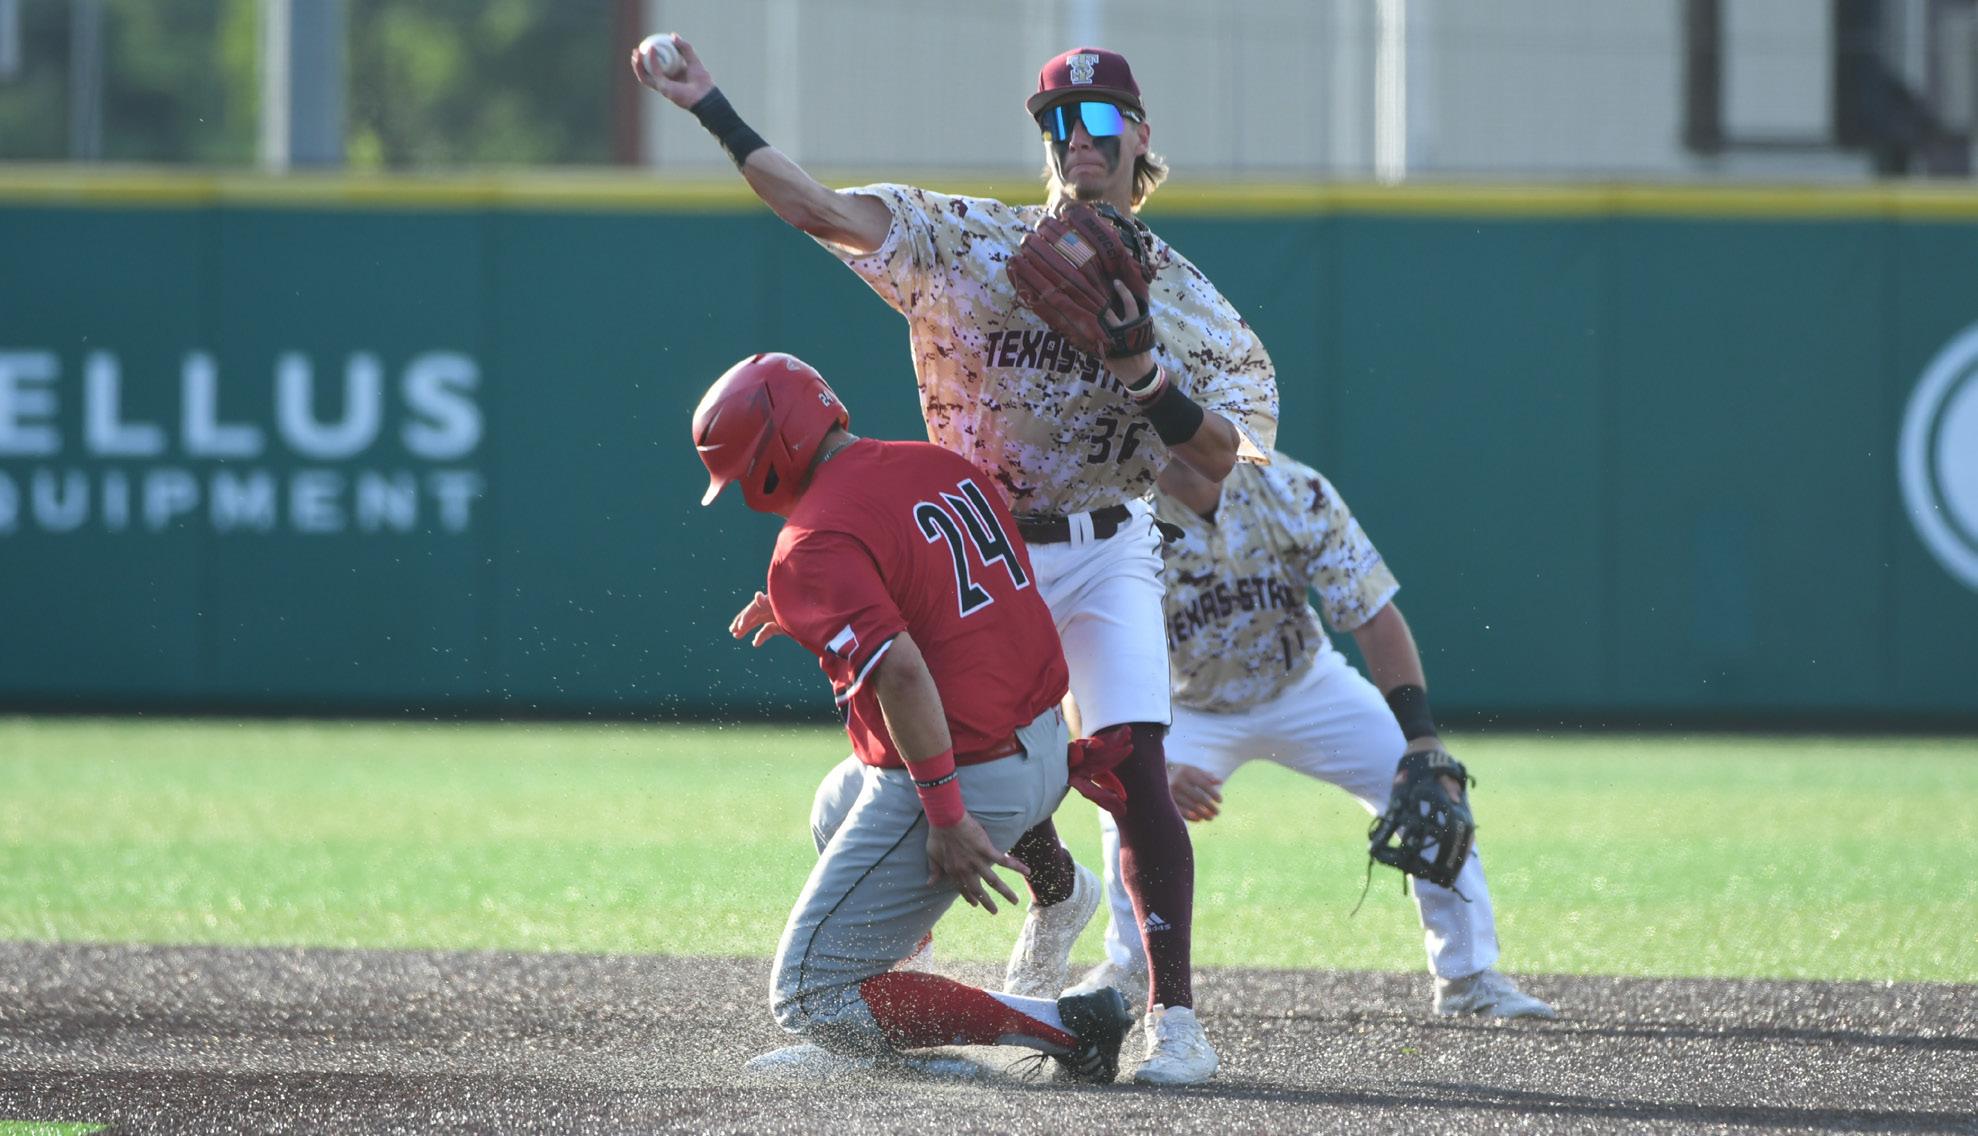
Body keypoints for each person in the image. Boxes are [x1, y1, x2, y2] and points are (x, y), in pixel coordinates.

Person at [637, 41, 1280, 1084]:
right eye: (1059, 125)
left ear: (1141, 139)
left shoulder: (1188, 302)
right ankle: (1021, 906)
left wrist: (1141, 368)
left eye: (1102, 122)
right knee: (947, 752)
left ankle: (1175, 1018)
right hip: (973, 548)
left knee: (1128, 765)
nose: (1079, 142)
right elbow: (812, 205)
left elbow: (1214, 466)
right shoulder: (971, 237)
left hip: (1102, 542)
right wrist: (710, 105)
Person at [695, 351, 1140, 1081]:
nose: (746, 484)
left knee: (809, 996)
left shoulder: (813, 538)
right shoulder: (939, 465)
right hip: (1046, 743)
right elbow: (960, 604)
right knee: (836, 802)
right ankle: (895, 1005)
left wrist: (945, 810)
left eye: (744, 467)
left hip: (970, 775)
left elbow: (902, 671)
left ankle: (1066, 1027)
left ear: (775, 451)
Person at [1067, 453, 1558, 1020]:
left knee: (1430, 786)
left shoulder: (1291, 487)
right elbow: (1087, 662)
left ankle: (1467, 977)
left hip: (1304, 683)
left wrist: (1420, 736)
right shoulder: (1118, 506)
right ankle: (1132, 969)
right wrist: (1152, 768)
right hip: (1181, 705)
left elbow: (1373, 614)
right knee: (1129, 799)